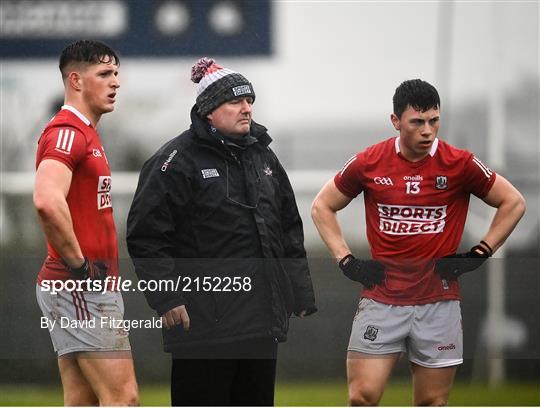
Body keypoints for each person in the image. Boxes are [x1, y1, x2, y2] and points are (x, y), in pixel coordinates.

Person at [311, 79, 525, 406]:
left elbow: (513, 203)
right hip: (382, 300)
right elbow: (321, 207)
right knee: (362, 397)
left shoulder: (460, 163)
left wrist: (480, 253)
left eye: (434, 121)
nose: (427, 131)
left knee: (432, 403)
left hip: (439, 303)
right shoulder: (369, 162)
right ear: (396, 122)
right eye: (417, 122)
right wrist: (347, 260)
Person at [126, 57, 317, 406]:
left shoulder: (264, 158)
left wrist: (299, 291)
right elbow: (146, 236)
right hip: (202, 324)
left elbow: (287, 226)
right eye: (235, 101)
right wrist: (167, 298)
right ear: (209, 110)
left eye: (249, 101)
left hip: (261, 321)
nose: (246, 109)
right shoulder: (174, 160)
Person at [33, 40, 139, 406]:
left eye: (116, 74)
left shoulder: (86, 133)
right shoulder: (68, 132)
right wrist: (79, 266)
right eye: (105, 74)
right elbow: (47, 201)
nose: (116, 82)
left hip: (81, 286)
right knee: (123, 399)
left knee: (83, 401)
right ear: (76, 81)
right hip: (80, 287)